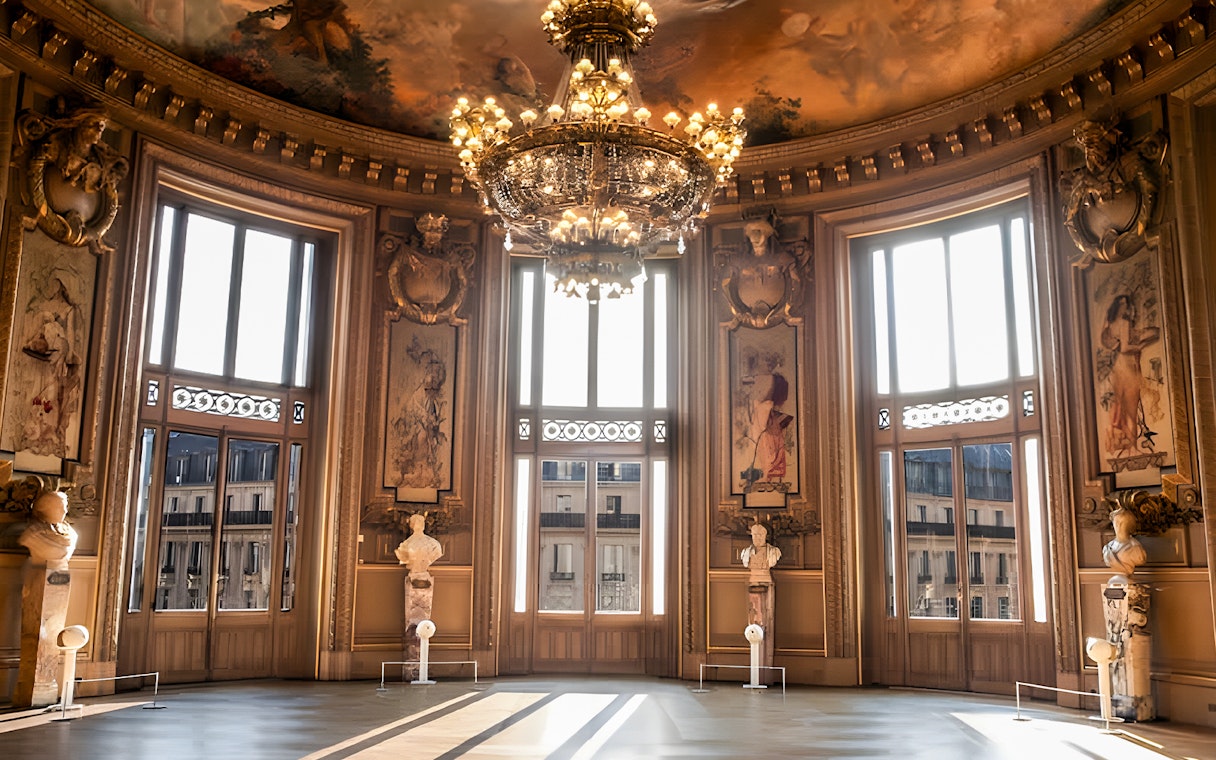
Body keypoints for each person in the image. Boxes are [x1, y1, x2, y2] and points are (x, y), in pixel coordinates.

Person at [1100, 294, 1159, 456]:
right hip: (1128, 367)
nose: (1127, 308)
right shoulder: (1125, 321)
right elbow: (1126, 348)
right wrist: (1139, 346)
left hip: (1118, 368)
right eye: (1125, 305)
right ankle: (1132, 448)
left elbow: (1112, 344)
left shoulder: (1110, 325)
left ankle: (1127, 449)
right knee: (1131, 412)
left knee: (1122, 410)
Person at [18, 489, 78, 571]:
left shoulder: (70, 533)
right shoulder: (33, 534)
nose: (65, 511)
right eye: (61, 507)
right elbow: (59, 552)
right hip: (39, 577)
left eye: (65, 507)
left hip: (60, 577)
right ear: (47, 509)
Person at [1102, 506, 1147, 581]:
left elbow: (1141, 560)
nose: (1118, 526)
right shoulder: (1107, 548)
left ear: (1129, 525)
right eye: (1116, 522)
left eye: (1122, 523)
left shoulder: (1136, 548)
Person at [395, 513, 442, 581]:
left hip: (424, 574)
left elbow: (437, 553)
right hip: (413, 574)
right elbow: (403, 556)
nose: (420, 524)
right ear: (412, 525)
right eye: (417, 522)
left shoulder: (434, 544)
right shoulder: (406, 544)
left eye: (421, 522)